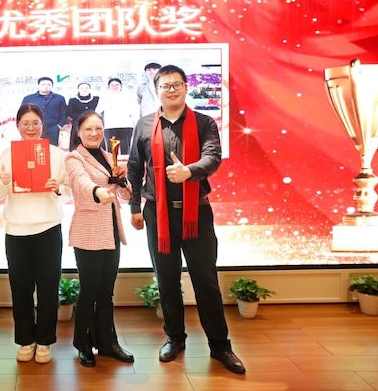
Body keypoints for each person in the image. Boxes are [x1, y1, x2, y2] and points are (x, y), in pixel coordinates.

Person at [127, 65, 246, 374]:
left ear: (185, 87)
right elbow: (134, 168)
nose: (171, 90)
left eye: (176, 84)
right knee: (166, 280)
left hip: (197, 214)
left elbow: (213, 158)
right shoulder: (143, 125)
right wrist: (135, 207)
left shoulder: (205, 123)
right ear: (156, 90)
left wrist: (188, 172)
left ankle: (220, 346)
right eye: (165, 86)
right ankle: (175, 338)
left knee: (206, 281)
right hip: (158, 214)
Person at [0, 104, 70, 364]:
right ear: (18, 126)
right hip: (16, 230)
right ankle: (25, 340)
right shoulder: (7, 154)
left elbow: (68, 189)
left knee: (48, 287)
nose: (31, 128)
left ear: (42, 125)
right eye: (25, 123)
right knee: (20, 288)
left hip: (48, 228)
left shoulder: (56, 154)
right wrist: (2, 180)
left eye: (35, 123)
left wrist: (58, 188)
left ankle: (44, 341)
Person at [65, 110, 134, 368]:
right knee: (89, 290)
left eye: (98, 129)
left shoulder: (108, 156)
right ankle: (82, 342)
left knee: (106, 292)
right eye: (88, 129)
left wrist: (122, 180)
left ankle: (107, 342)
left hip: (111, 230)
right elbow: (80, 182)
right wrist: (98, 191)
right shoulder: (74, 157)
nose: (94, 133)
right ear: (79, 132)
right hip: (88, 232)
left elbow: (126, 195)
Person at [21, 77, 67, 147]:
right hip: (33, 128)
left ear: (52, 86)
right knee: (33, 148)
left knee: (52, 149)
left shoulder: (59, 98)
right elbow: (22, 113)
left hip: (53, 128)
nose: (46, 86)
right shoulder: (28, 98)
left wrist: (59, 126)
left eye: (49, 85)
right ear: (38, 86)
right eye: (43, 84)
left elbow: (64, 113)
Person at [97, 77, 137, 155]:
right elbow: (98, 111)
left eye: (117, 85)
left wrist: (136, 122)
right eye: (112, 85)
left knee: (125, 147)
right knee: (111, 148)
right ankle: (111, 162)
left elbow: (134, 110)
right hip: (110, 126)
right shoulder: (105, 97)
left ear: (121, 86)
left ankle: (125, 162)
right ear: (108, 87)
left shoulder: (128, 96)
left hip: (126, 125)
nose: (115, 87)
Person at [66, 82, 100, 151]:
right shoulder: (72, 100)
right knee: (77, 142)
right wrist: (83, 118)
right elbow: (70, 112)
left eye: (86, 88)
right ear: (78, 89)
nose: (84, 89)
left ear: (90, 89)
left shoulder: (96, 99)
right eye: (82, 88)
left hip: (93, 124)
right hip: (78, 124)